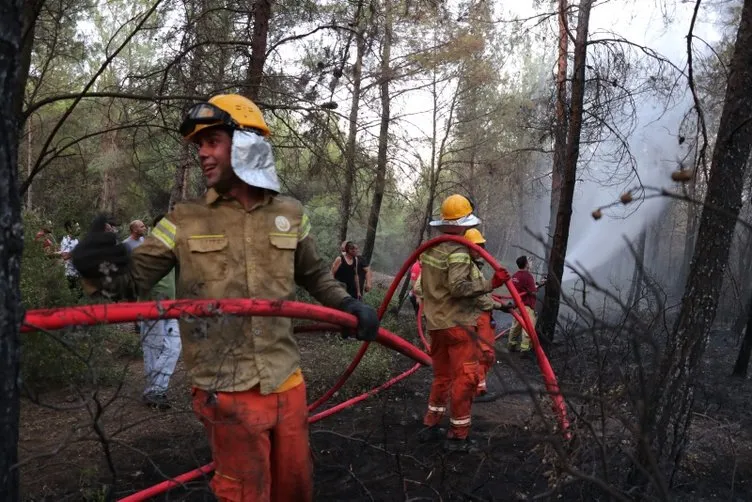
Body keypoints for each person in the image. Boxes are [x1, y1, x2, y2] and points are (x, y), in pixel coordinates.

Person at [72, 93, 380, 502]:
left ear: (248, 144)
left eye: (212, 141)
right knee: (244, 495)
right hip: (226, 390)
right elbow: (131, 285)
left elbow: (315, 276)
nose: (202, 154)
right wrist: (98, 268)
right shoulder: (184, 218)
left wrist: (347, 306)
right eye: (200, 145)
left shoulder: (290, 213)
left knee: (296, 488)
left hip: (287, 382)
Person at [417, 194, 509, 452]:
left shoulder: (431, 248)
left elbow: (425, 287)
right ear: (463, 222)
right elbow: (458, 288)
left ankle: (431, 422)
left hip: (436, 325)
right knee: (465, 378)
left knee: (441, 376)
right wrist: (492, 284)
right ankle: (458, 435)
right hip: (458, 325)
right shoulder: (457, 251)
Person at [138, 214, 182, 410]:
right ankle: (156, 392)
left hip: (171, 306)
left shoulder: (174, 250)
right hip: (150, 307)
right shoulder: (147, 249)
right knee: (153, 349)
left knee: (174, 347)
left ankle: (154, 389)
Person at [507, 255, 543, 354]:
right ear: (526, 264)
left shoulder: (515, 276)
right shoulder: (528, 276)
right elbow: (533, 292)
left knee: (515, 327)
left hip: (517, 306)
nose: (531, 263)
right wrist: (538, 286)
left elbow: (522, 288)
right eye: (529, 261)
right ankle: (525, 350)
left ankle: (511, 346)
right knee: (528, 329)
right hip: (527, 307)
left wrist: (534, 285)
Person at [58, 220, 80, 293]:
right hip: (69, 274)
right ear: (69, 229)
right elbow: (64, 255)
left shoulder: (76, 240)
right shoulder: (65, 240)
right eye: (76, 227)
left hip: (77, 274)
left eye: (78, 227)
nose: (79, 229)